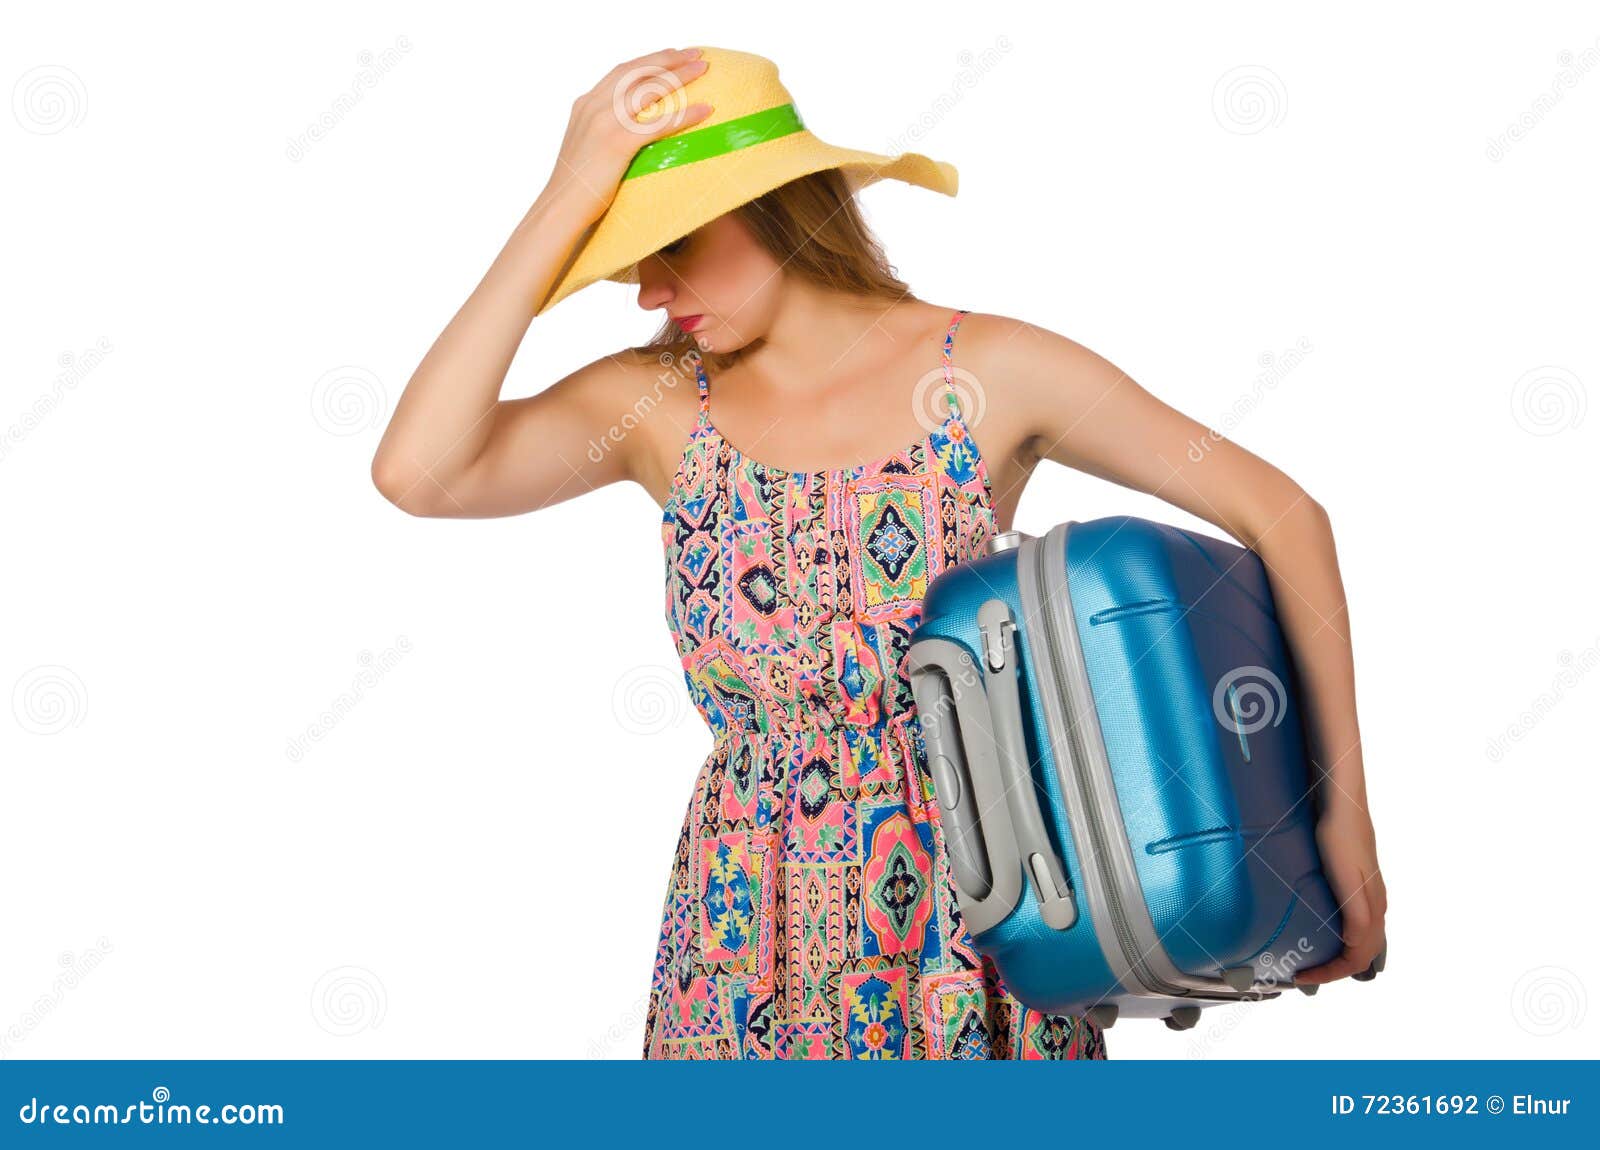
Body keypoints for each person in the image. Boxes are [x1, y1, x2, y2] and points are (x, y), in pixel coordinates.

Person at [370, 46, 1386, 1060]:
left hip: (985, 919)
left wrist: (1339, 818)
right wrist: (567, 193)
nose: (647, 290)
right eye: (628, 253)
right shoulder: (657, 407)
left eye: (671, 241)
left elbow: (1281, 514)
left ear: (775, 206)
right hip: (739, 944)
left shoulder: (987, 371)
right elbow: (418, 471)